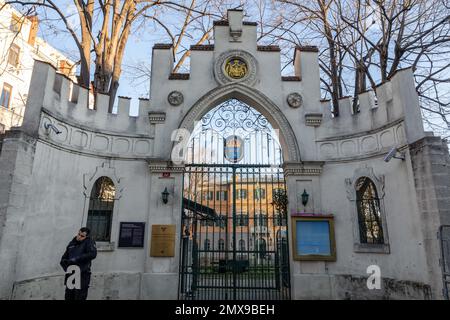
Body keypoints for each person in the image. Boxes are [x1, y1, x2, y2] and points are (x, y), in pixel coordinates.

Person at [60, 227, 97, 300]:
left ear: (86, 237)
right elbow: (63, 258)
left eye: (82, 236)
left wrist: (77, 259)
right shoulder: (72, 243)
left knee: (80, 296)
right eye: (78, 234)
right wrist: (66, 266)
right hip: (71, 273)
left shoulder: (89, 242)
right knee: (68, 296)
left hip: (82, 274)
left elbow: (92, 254)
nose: (79, 237)